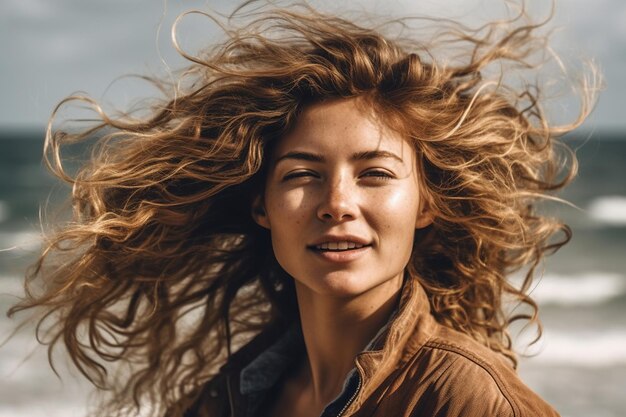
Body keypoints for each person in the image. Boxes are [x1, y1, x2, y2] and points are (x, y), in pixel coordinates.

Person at [9, 1, 597, 416]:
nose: (338, 204)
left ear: (425, 203)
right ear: (261, 205)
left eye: (375, 175)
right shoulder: (233, 396)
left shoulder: (470, 400)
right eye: (302, 176)